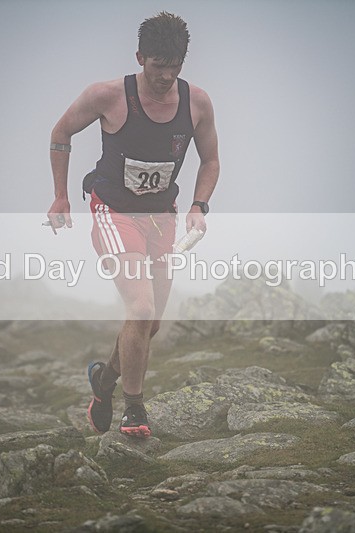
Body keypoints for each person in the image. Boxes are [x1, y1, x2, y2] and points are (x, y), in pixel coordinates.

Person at [46, 12, 219, 438]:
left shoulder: (197, 102)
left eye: (174, 65)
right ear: (140, 57)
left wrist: (200, 204)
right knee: (140, 309)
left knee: (151, 323)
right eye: (158, 64)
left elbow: (211, 159)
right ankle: (135, 410)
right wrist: (61, 195)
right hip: (114, 212)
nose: (165, 75)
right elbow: (61, 131)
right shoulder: (107, 95)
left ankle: (104, 382)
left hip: (162, 219)